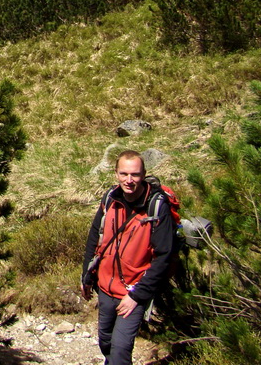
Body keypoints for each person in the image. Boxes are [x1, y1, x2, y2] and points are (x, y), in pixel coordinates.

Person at [81, 150, 173, 365]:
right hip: (105, 285)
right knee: (105, 342)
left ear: (144, 174)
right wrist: (86, 275)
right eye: (124, 174)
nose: (129, 180)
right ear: (116, 173)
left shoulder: (157, 207)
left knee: (121, 348)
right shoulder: (110, 199)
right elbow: (95, 237)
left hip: (133, 291)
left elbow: (163, 255)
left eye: (135, 175)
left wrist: (137, 295)